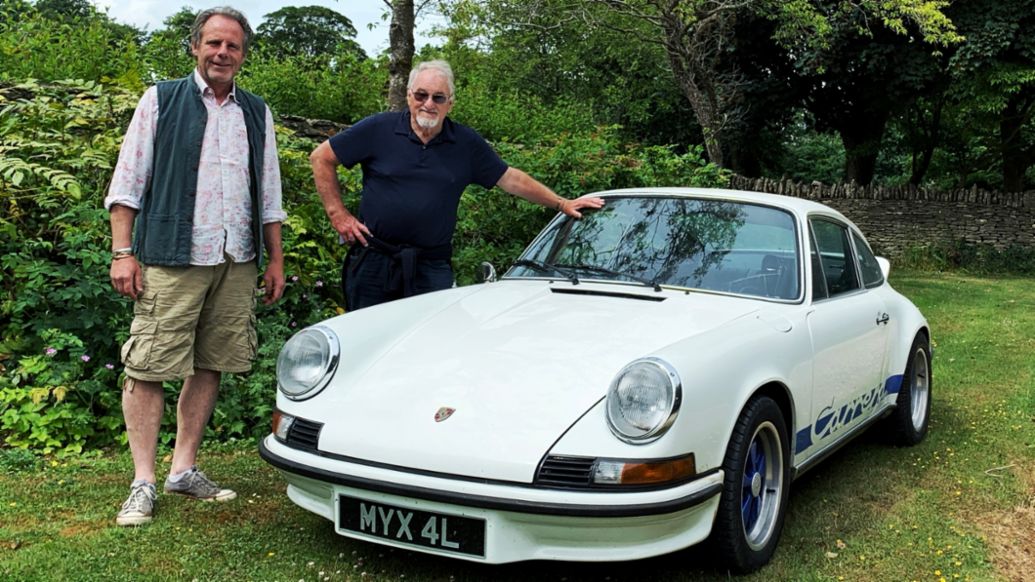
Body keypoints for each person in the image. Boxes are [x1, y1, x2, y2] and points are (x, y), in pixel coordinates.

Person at [104, 6, 286, 527]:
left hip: (237, 259)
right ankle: (142, 481)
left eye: (232, 46)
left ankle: (183, 469)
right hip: (172, 255)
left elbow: (269, 193)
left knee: (211, 363)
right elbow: (127, 182)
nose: (222, 53)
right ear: (195, 47)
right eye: (213, 43)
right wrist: (123, 252)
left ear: (243, 55)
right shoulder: (161, 99)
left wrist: (274, 259)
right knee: (148, 365)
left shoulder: (256, 111)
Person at [310, 59, 604, 310]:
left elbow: (509, 178)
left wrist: (561, 203)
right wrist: (339, 216)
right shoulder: (378, 129)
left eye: (438, 97)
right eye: (421, 95)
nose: (428, 104)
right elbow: (321, 157)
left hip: (430, 267)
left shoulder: (465, 143)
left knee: (430, 349)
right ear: (409, 96)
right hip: (374, 260)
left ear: (450, 102)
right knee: (365, 343)